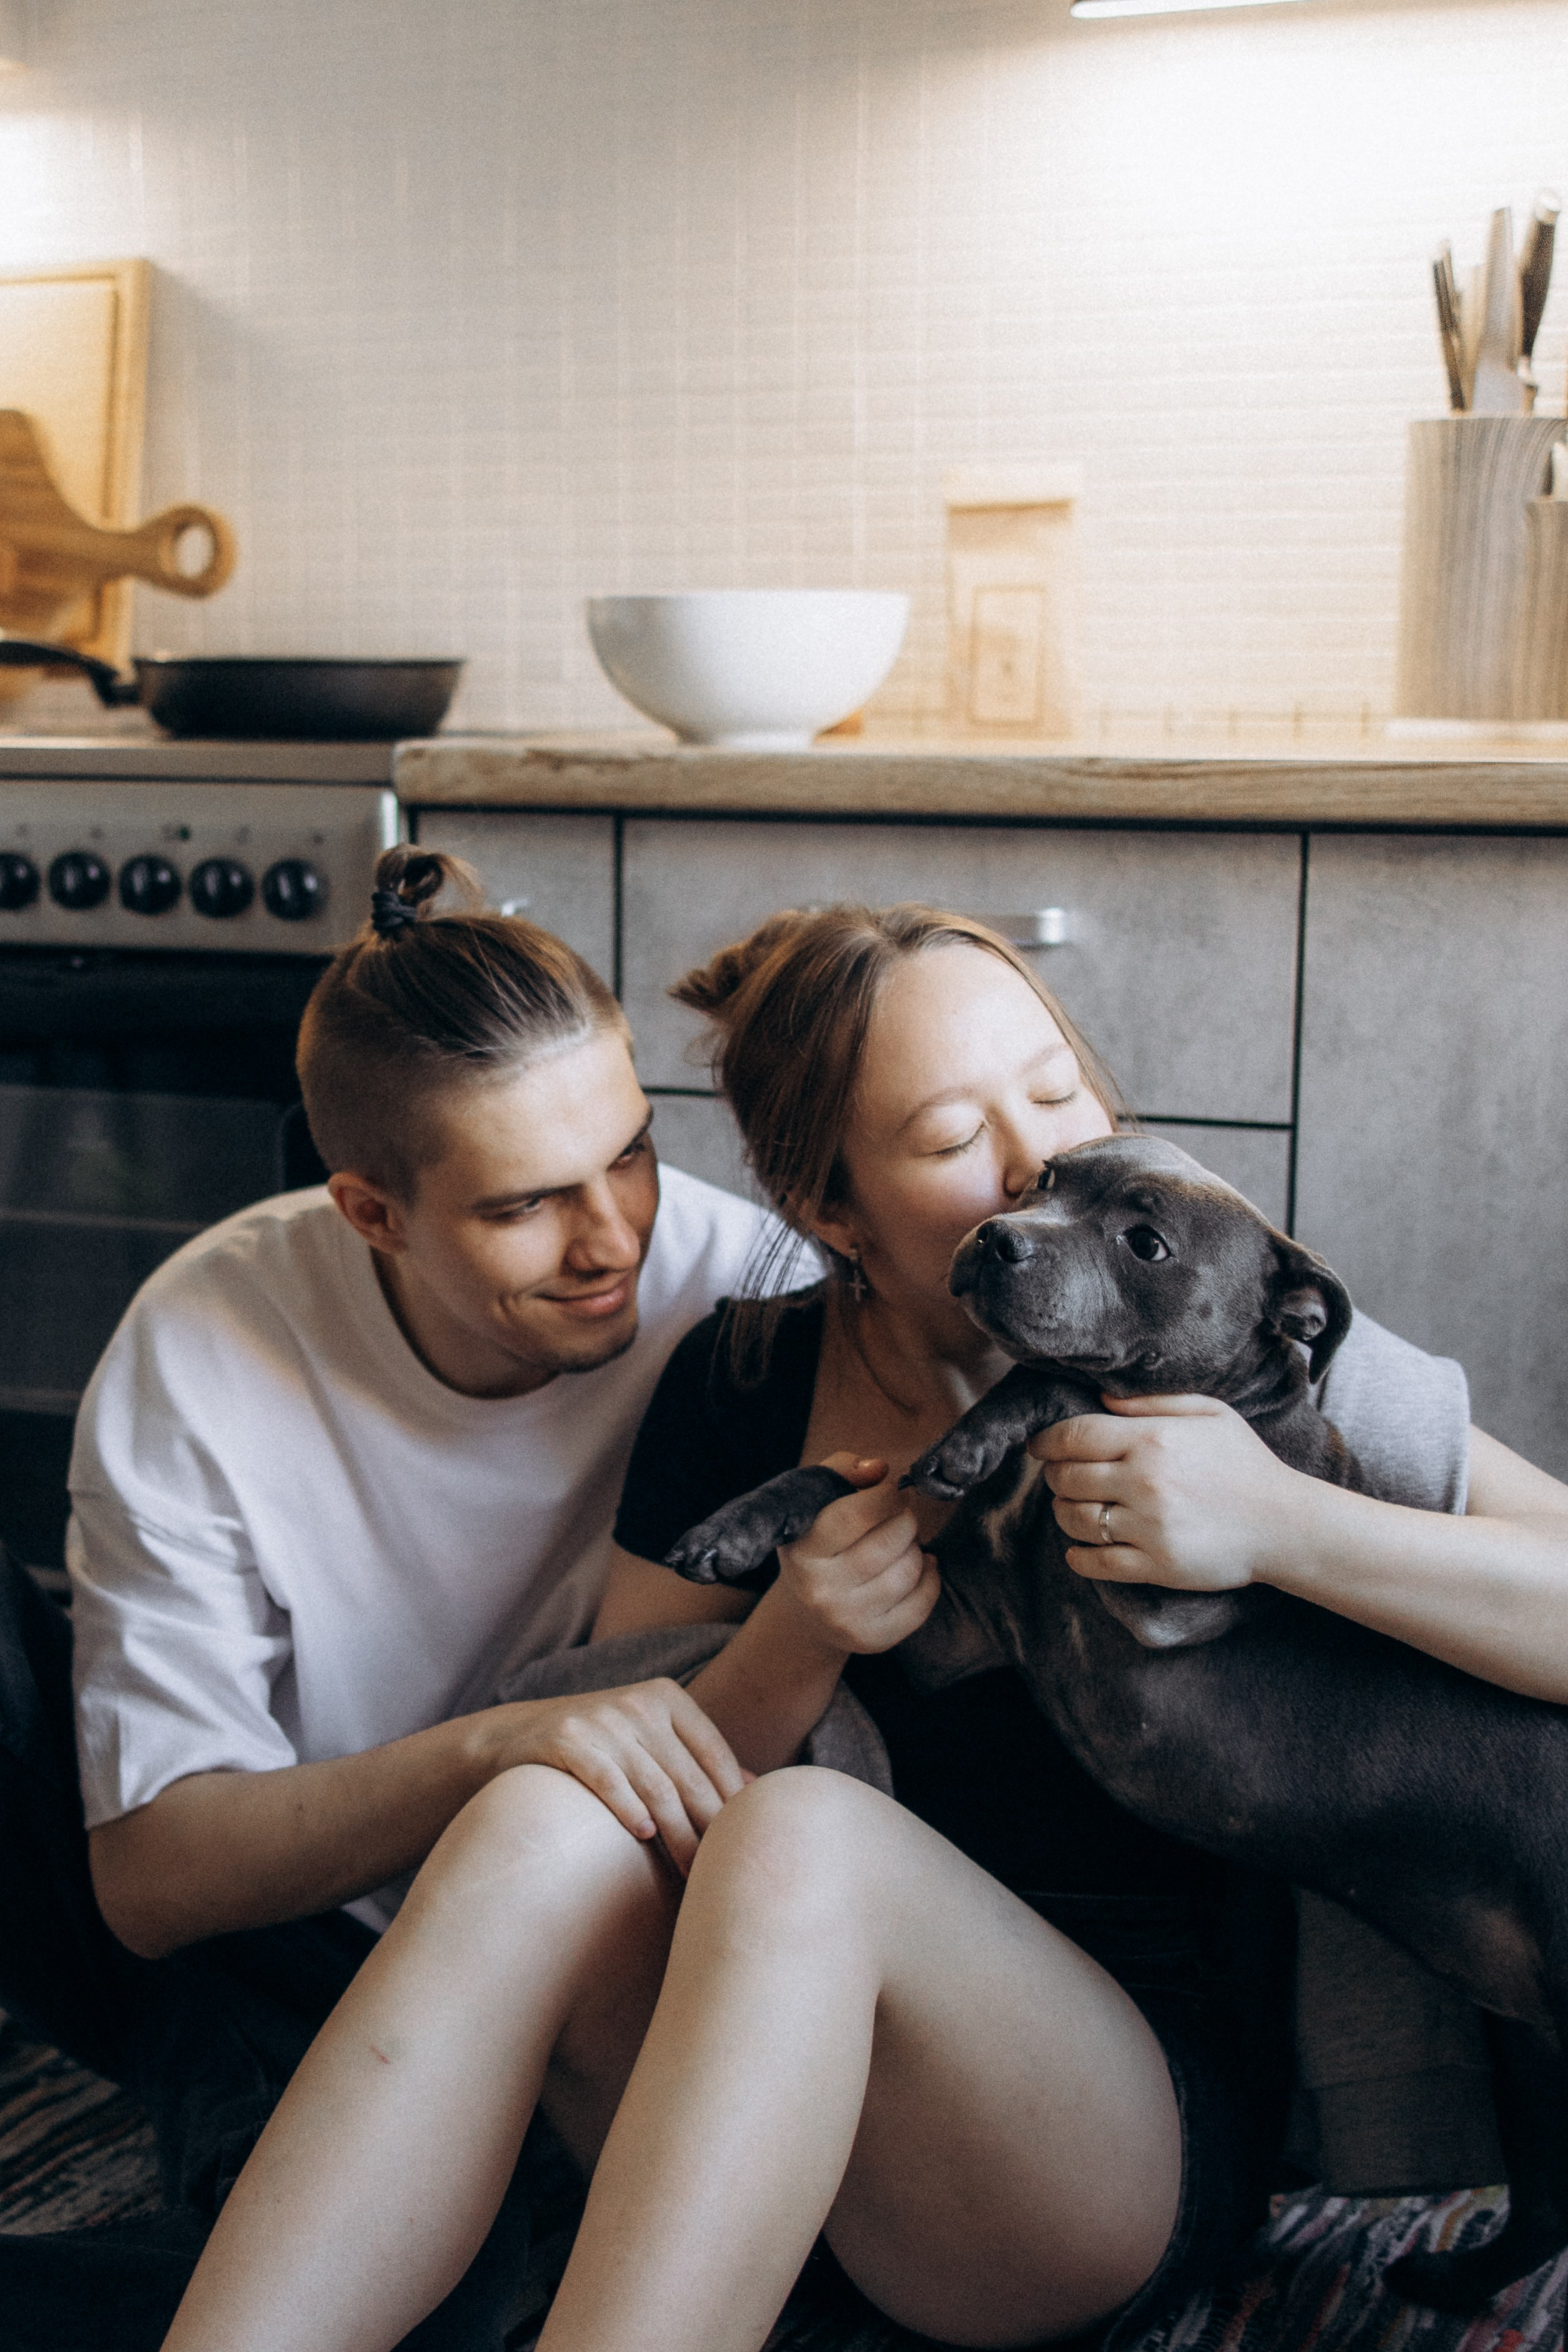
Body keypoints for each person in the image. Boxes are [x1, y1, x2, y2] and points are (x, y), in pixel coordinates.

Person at [155, 903, 1568, 2352]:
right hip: (740, 2101)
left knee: (803, 1833)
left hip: (1097, 2146)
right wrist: (797, 1634)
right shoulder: (746, 1378)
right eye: (953, 1138)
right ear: (833, 1210)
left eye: (1055, 1087)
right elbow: (645, 1767)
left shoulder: (1218, 1309)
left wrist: (1285, 1524)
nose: (1035, 1165)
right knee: (542, 1813)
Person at [0, 847, 780, 2351]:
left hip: (593, 1951)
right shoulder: (210, 1338)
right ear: (370, 1211)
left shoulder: (734, 1281)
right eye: (527, 1204)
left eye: (628, 1151)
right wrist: (501, 1745)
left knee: (467, 2290)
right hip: (278, 1930)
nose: (615, 1237)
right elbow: (152, 1884)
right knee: (387, 2296)